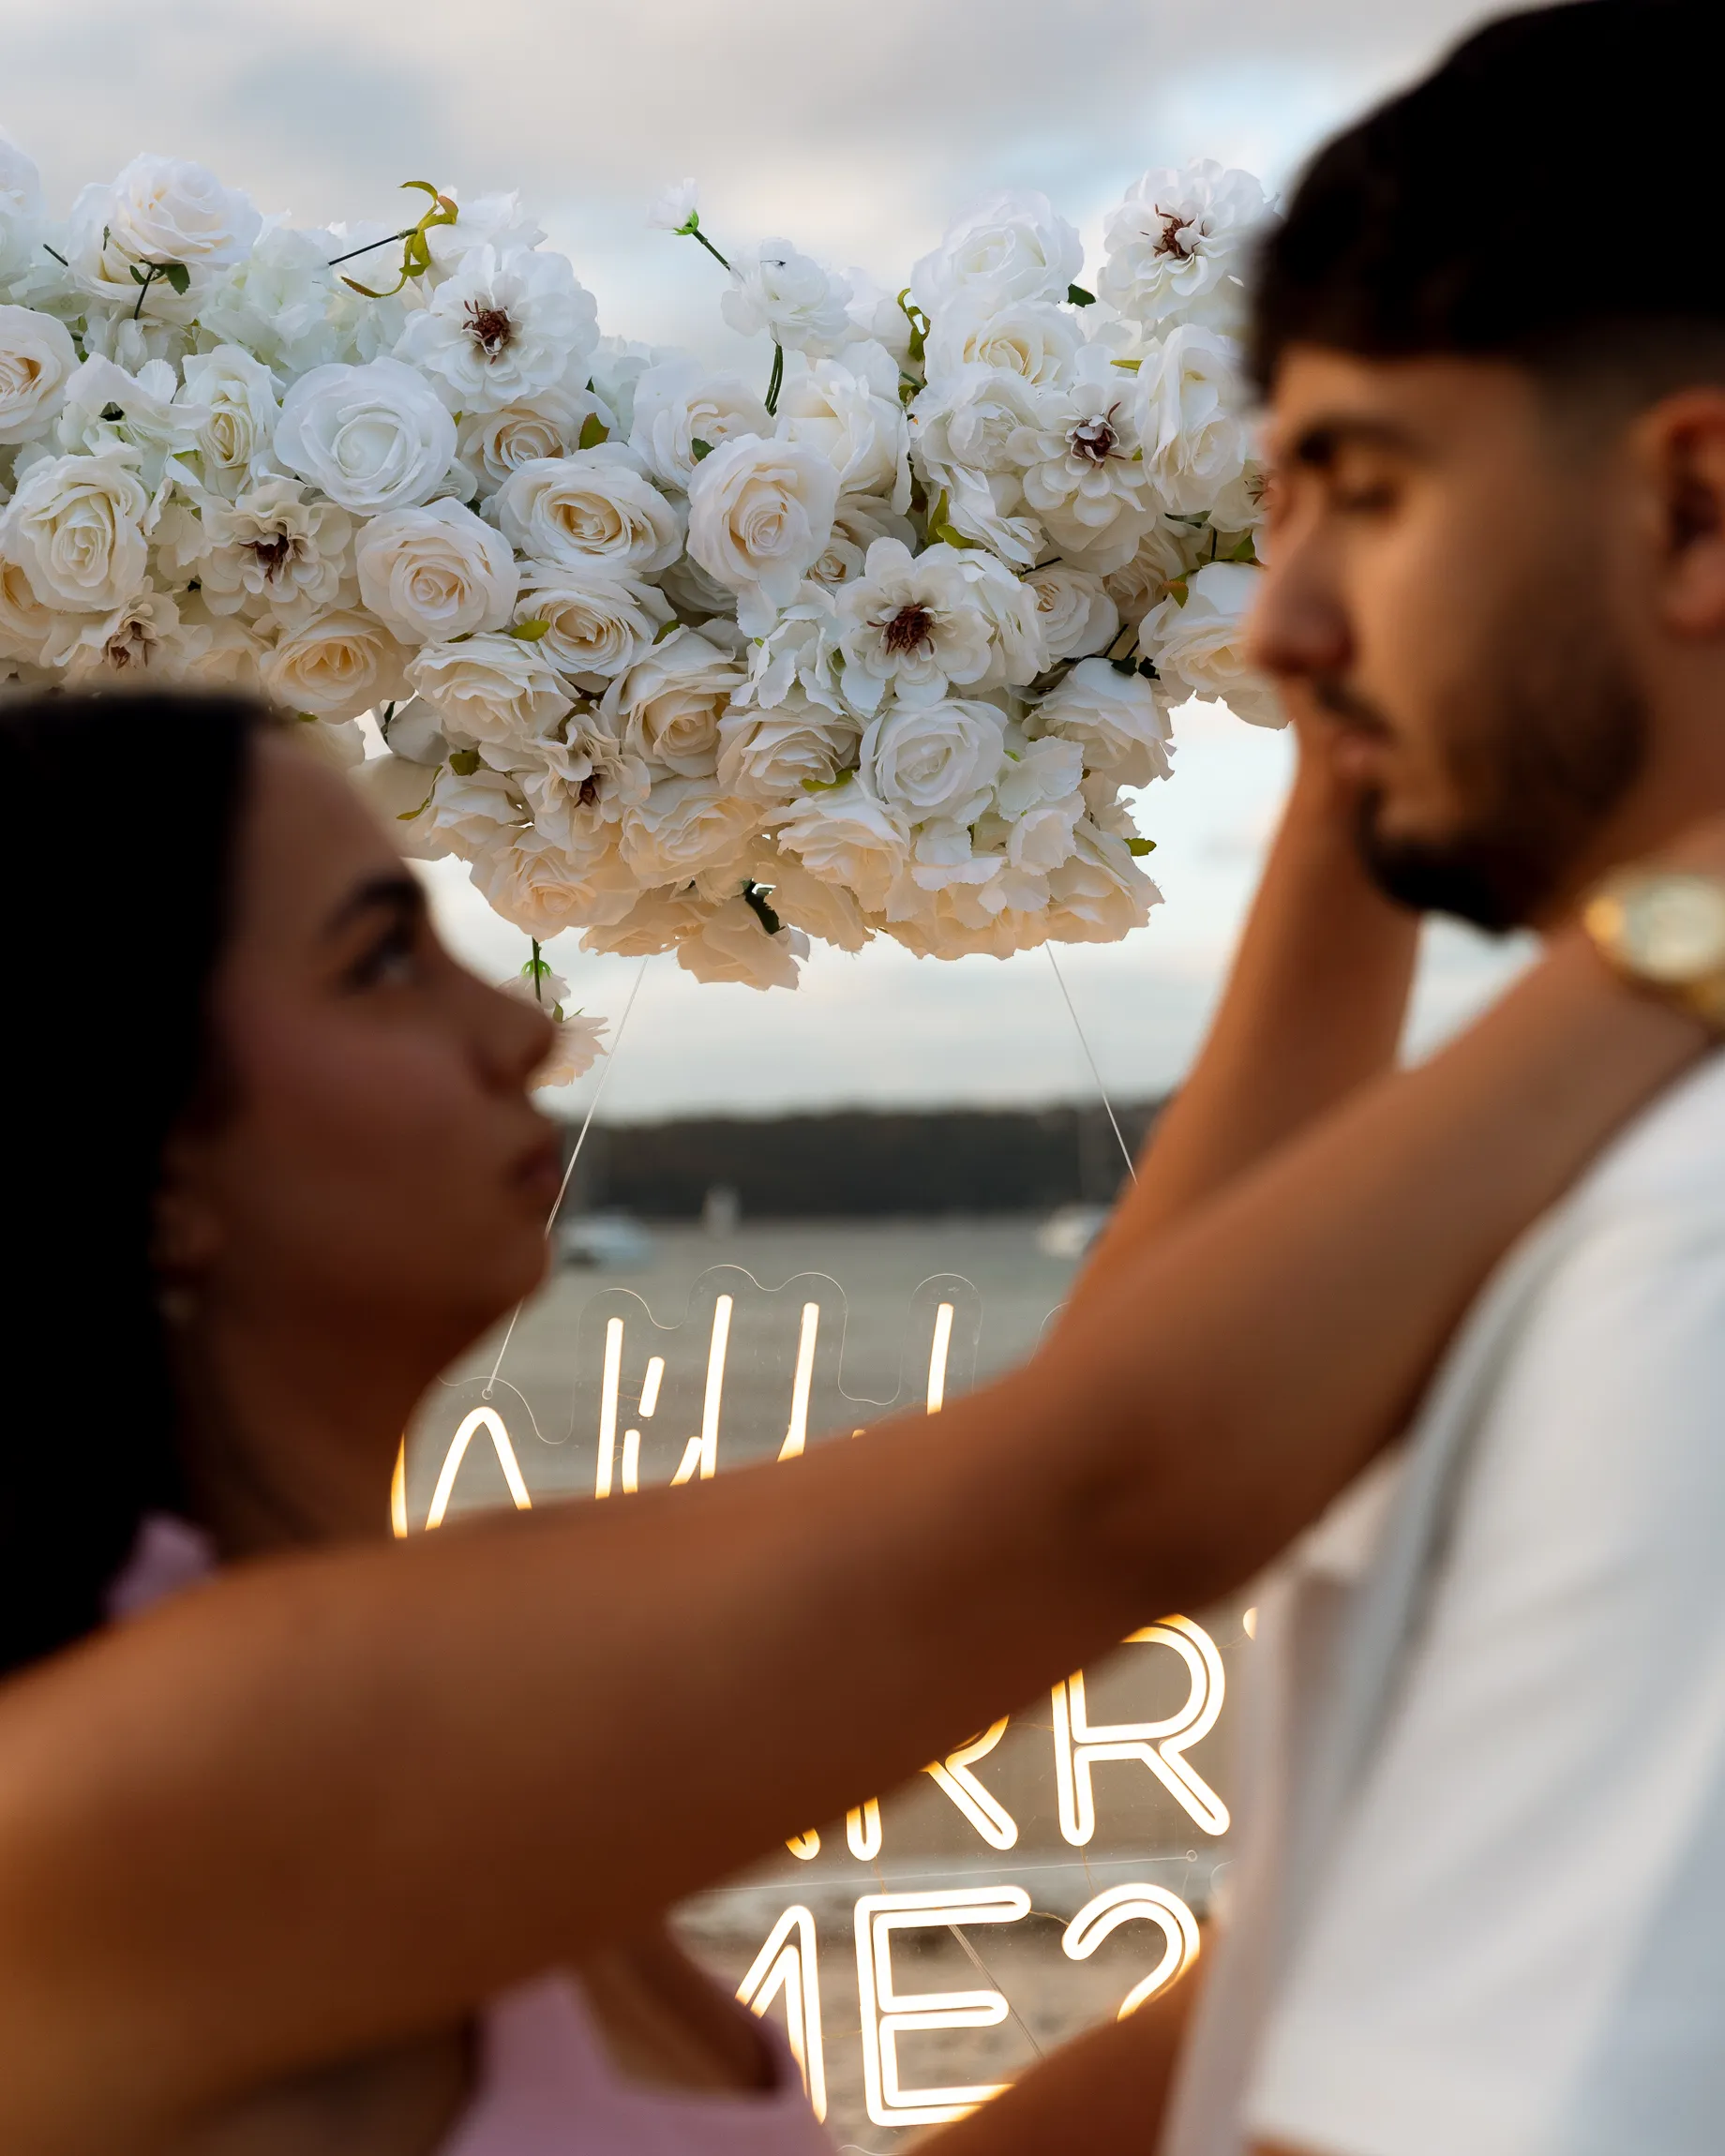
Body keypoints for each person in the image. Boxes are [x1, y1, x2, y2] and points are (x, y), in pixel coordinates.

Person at [0, 657, 1716, 2156]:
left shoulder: (352, 1690)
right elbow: (1109, 1489)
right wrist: (1679, 924)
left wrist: (1359, 758)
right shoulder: (155, 1791)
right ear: (141, 1148)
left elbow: (1097, 1428)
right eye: (382, 964)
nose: (520, 1028)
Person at [947, 7, 1725, 2153]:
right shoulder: (1620, 1160)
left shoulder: (1683, 1262)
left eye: (1365, 493)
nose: (1279, 628)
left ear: (1692, 504)